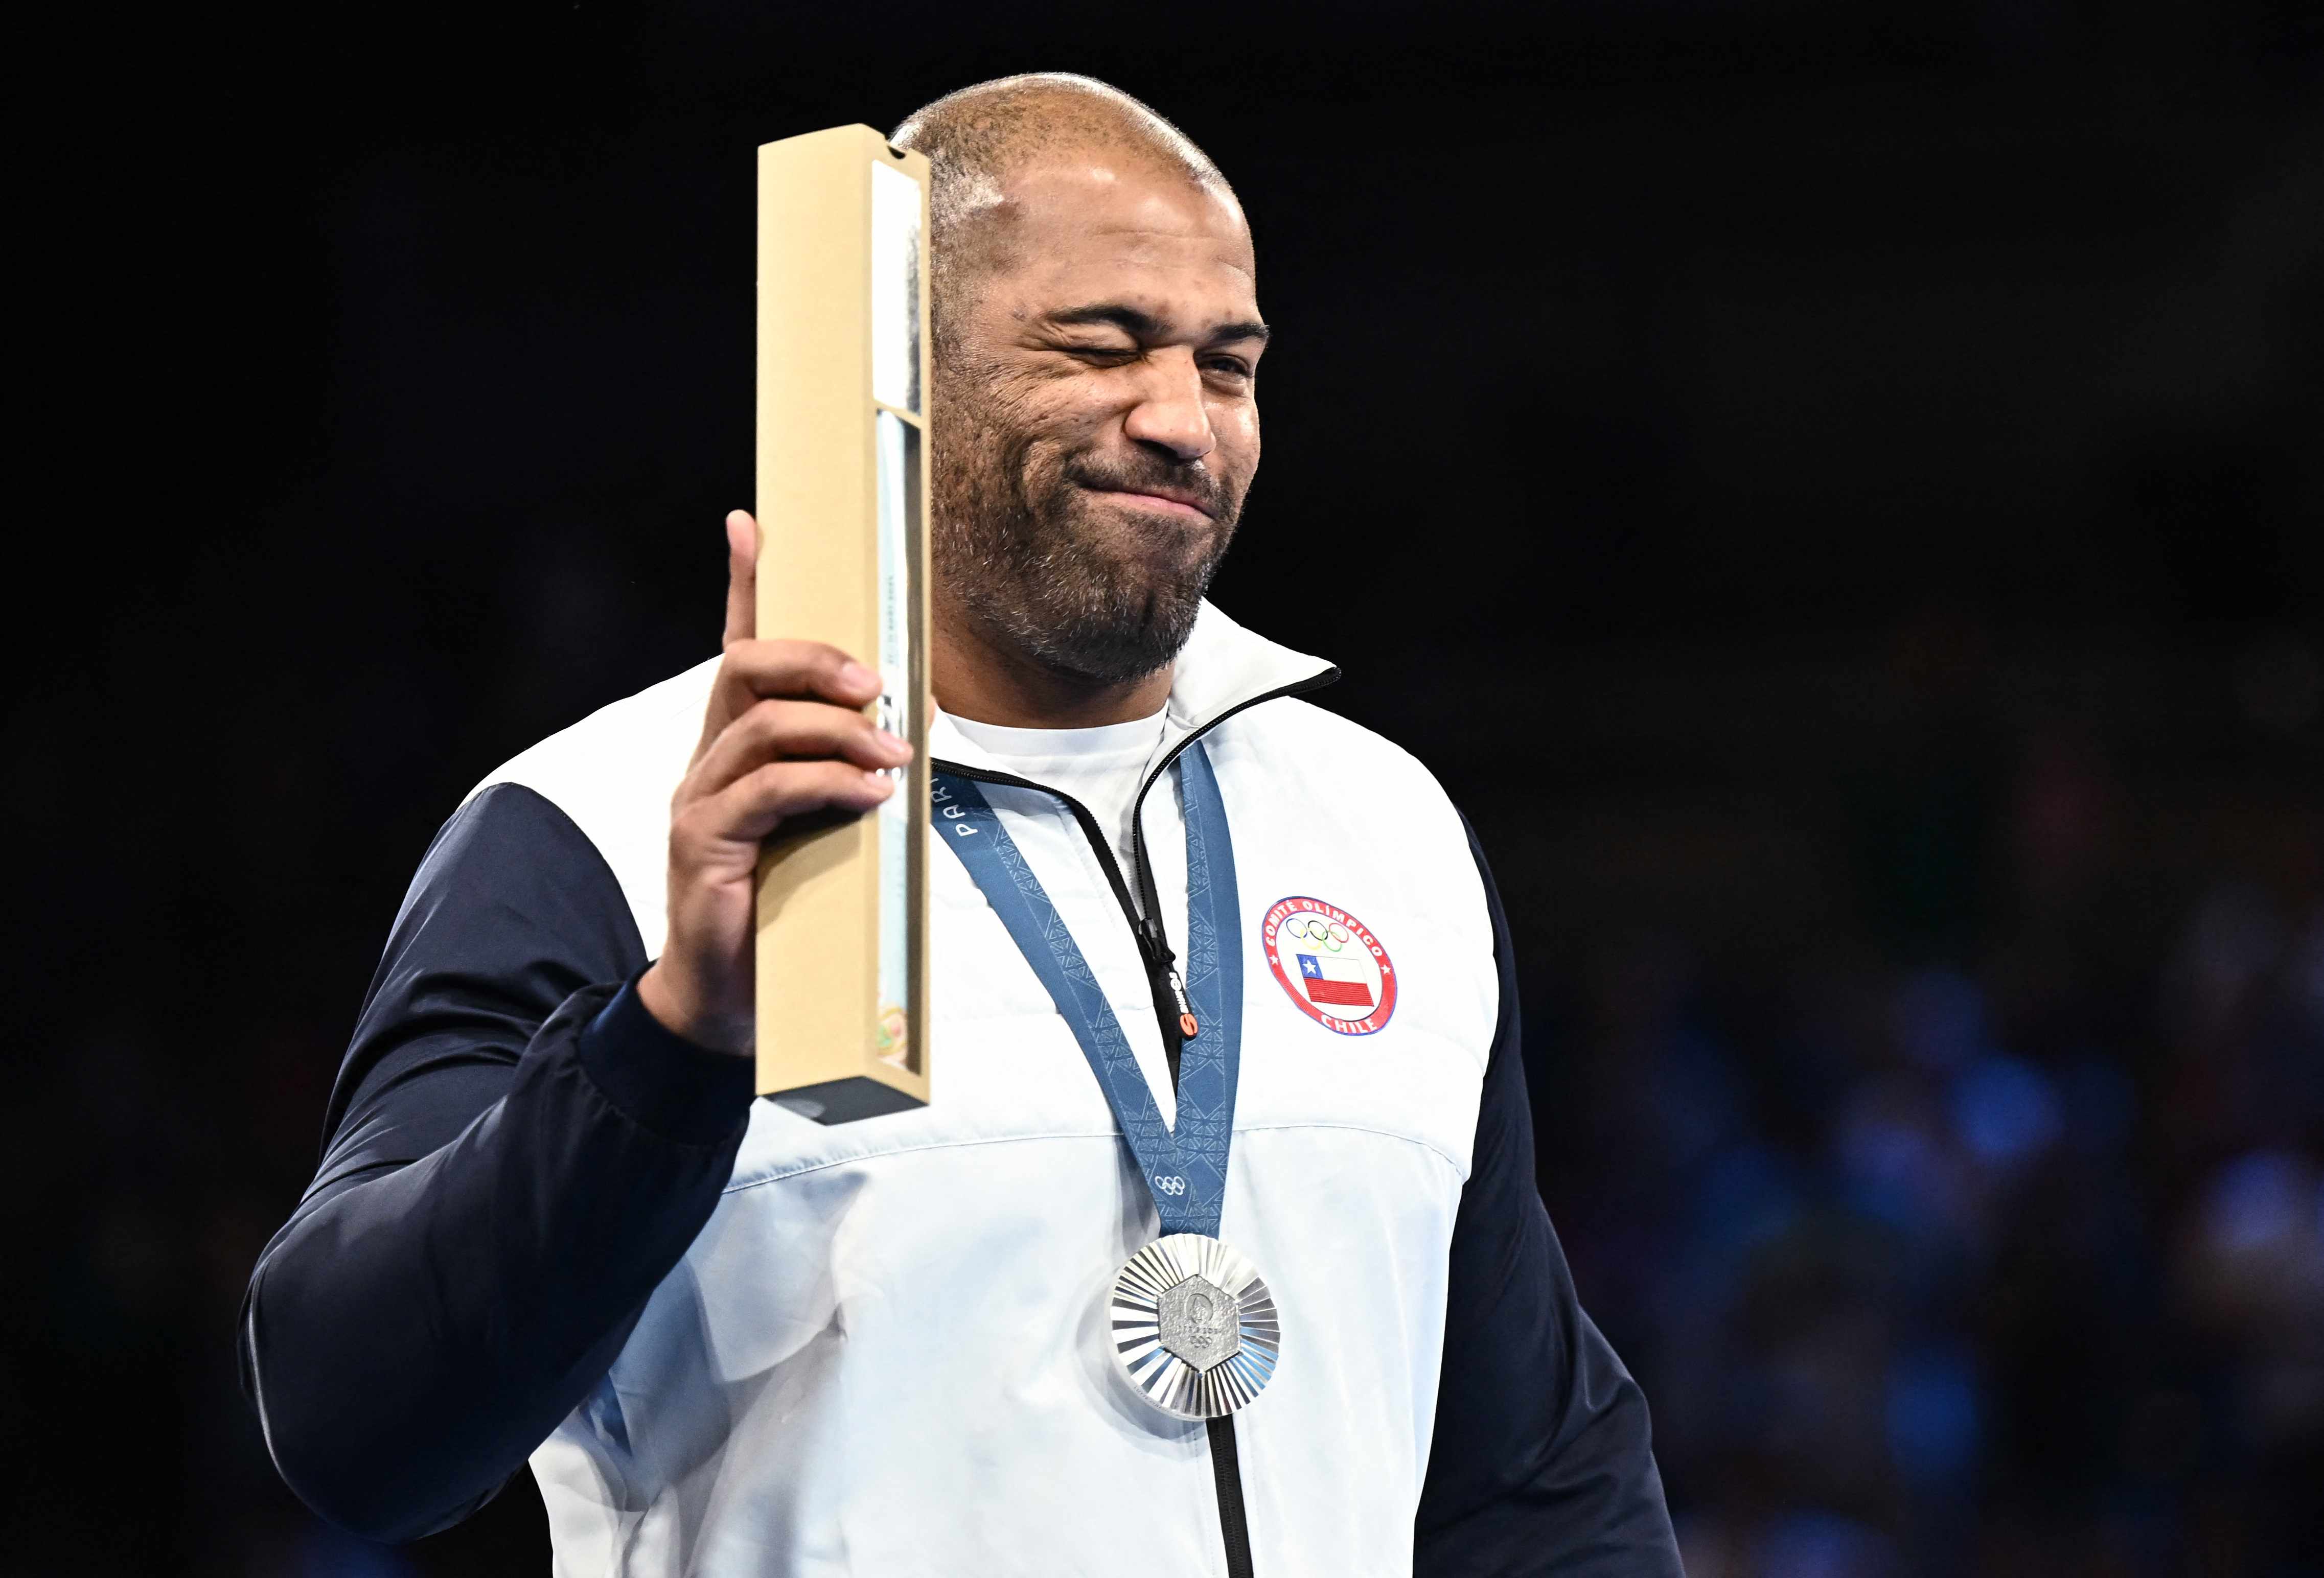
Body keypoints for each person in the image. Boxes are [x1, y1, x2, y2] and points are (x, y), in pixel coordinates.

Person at [240, 73, 1681, 1575]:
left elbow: (1529, 1478)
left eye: (1228, 364)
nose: (1183, 421)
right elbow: (354, 1426)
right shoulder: (603, 824)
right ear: (905, 371)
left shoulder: (1380, 824)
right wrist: (672, 1037)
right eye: (1102, 345)